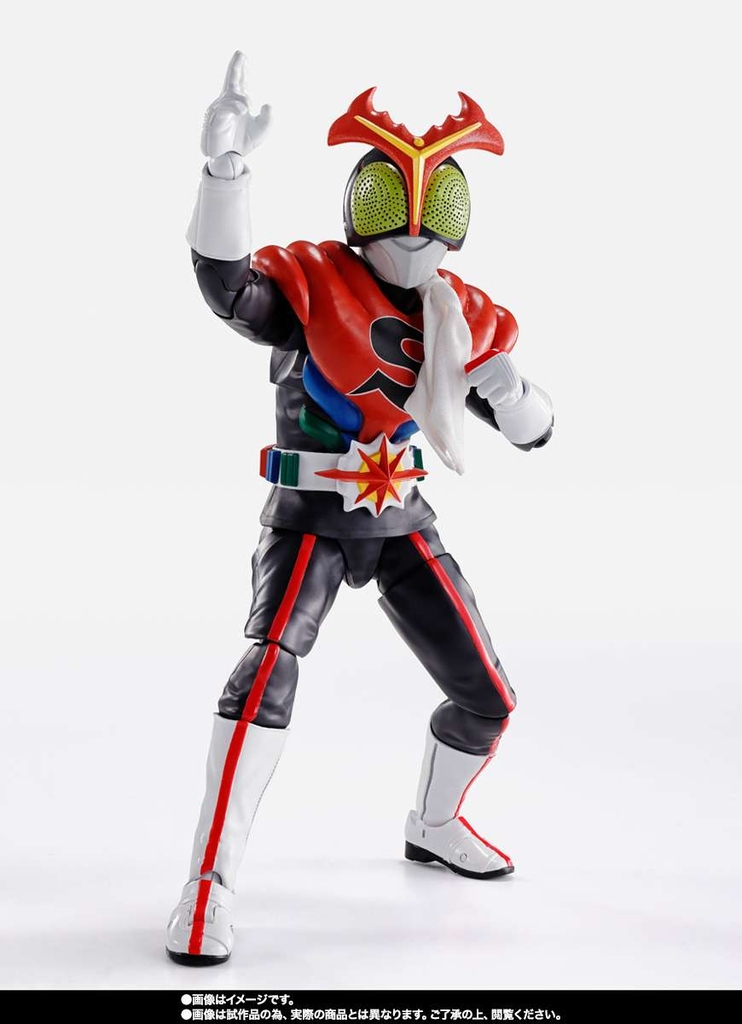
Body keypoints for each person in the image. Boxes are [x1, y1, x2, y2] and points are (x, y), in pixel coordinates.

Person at [166, 52, 554, 966]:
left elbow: (535, 432)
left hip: (401, 518)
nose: (414, 227)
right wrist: (225, 173)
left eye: (436, 205)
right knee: (264, 675)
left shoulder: (463, 315)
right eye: (390, 200)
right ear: (359, 205)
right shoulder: (311, 282)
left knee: (488, 696)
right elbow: (229, 289)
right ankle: (208, 882)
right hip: (312, 517)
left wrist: (511, 389)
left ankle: (434, 824)